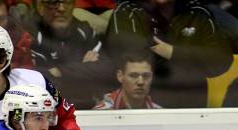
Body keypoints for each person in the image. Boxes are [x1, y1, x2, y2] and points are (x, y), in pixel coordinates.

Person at [104, 0, 234, 108]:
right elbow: (128, 61)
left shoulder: (196, 12)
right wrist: (194, 58)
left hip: (190, 110)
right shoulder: (128, 11)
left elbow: (221, 61)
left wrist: (173, 52)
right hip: (140, 110)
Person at [23, 0, 113, 108]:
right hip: (45, 107)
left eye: (67, 2)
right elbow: (37, 79)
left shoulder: (84, 29)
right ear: (40, 7)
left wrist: (59, 71)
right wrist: (82, 68)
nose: (62, 8)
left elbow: (108, 69)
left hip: (87, 108)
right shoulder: (29, 33)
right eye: (54, 3)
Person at [94, 51, 161, 109]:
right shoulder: (102, 114)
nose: (141, 82)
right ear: (120, 76)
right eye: (134, 75)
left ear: (152, 77)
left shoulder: (161, 113)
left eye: (146, 76)